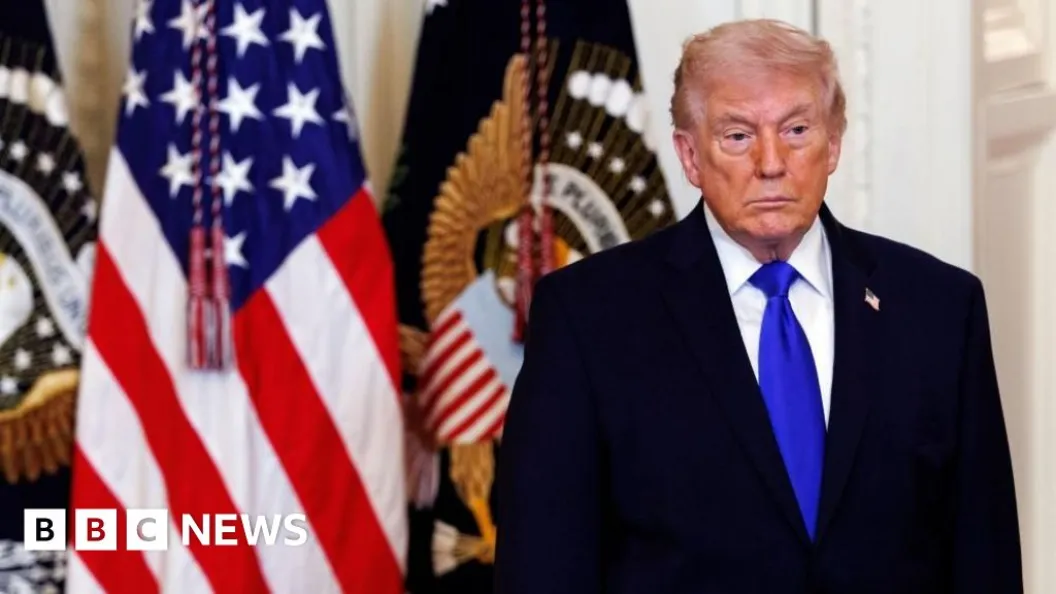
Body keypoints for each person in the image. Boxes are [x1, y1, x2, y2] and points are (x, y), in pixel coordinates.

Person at [492, 18, 1023, 594]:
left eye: (796, 130)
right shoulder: (588, 319)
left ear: (833, 143)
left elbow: (984, 559)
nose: (772, 162)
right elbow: (542, 569)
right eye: (738, 135)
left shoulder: (940, 310)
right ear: (690, 156)